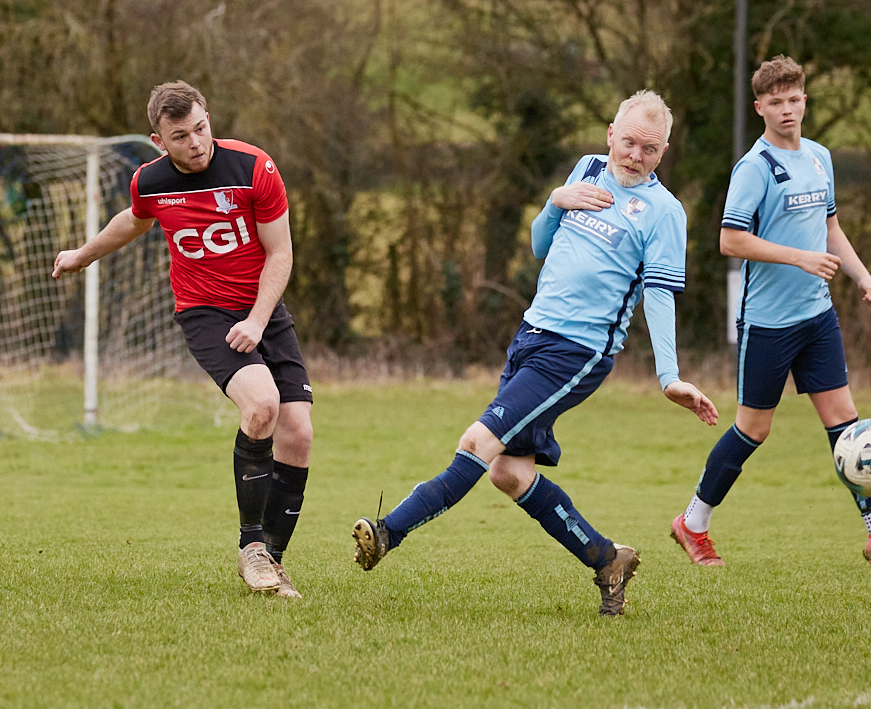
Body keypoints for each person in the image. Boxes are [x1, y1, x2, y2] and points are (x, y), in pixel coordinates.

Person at [350, 90, 719, 617]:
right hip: (531, 335)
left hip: (576, 352)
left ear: (664, 152)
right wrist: (555, 201)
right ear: (611, 134)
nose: (636, 155)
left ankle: (389, 533)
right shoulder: (587, 169)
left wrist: (669, 376)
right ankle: (607, 559)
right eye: (629, 142)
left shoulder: (664, 212)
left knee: (477, 442)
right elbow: (539, 245)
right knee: (509, 473)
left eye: (650, 148)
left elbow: (659, 294)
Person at [668, 55, 871, 568]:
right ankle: (693, 523)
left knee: (847, 426)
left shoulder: (819, 157)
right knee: (753, 430)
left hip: (817, 316)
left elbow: (830, 228)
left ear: (805, 101)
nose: (787, 109)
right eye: (776, 102)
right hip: (768, 323)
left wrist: (863, 277)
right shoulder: (754, 168)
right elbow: (730, 240)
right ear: (760, 108)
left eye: (794, 99)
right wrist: (799, 257)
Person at [53, 82, 313, 599]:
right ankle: (251, 547)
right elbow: (134, 220)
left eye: (200, 128)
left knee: (299, 434)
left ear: (208, 118)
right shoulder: (150, 181)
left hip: (263, 310)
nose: (196, 142)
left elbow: (280, 253)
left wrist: (258, 321)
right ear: (159, 141)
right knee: (261, 406)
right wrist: (83, 254)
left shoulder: (253, 168)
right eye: (180, 136)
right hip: (205, 312)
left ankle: (271, 562)